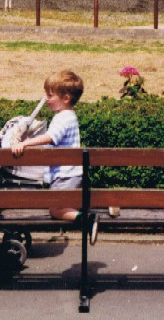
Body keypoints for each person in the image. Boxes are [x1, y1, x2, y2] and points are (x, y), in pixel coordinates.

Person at [10, 69, 98, 244]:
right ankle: (83, 216)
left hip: (66, 174)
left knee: (55, 210)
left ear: (65, 99)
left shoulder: (62, 118)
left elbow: (51, 137)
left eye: (50, 96)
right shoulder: (68, 116)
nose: (46, 99)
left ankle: (87, 219)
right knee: (60, 206)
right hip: (70, 173)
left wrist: (25, 143)